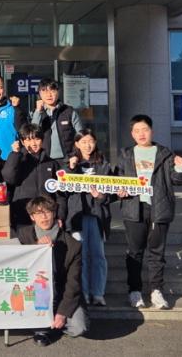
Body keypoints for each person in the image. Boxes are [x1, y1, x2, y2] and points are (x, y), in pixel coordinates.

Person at [116, 114, 182, 310]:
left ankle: (156, 291)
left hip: (159, 208)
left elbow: (177, 180)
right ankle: (134, 291)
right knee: (134, 252)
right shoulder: (126, 154)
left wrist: (181, 168)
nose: (141, 134)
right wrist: (119, 191)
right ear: (132, 134)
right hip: (134, 208)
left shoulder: (164, 154)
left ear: (152, 131)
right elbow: (118, 179)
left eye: (145, 130)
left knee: (157, 253)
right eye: (137, 130)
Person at [17, 196, 87, 347]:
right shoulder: (23, 235)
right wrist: (36, 248)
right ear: (32, 217)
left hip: (61, 293)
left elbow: (73, 283)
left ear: (54, 213)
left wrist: (62, 313)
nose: (44, 217)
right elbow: (17, 266)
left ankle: (54, 326)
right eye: (38, 213)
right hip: (33, 292)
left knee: (79, 327)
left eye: (48, 212)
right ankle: (43, 327)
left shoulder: (73, 245)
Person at [65, 129, 112, 306]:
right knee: (81, 256)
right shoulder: (70, 163)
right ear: (76, 144)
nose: (87, 145)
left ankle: (98, 293)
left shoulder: (103, 164)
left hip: (96, 216)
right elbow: (63, 188)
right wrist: (71, 168)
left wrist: (100, 196)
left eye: (90, 141)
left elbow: (111, 193)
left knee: (98, 256)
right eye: (83, 142)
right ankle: (83, 292)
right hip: (77, 216)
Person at [2, 124, 60, 230]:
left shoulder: (52, 163)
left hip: (46, 217)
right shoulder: (17, 159)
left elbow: (60, 194)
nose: (33, 143)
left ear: (42, 140)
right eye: (28, 140)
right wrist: (15, 154)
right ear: (23, 142)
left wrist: (60, 216)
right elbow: (9, 178)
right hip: (22, 214)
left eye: (37, 139)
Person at [31, 79, 83, 165]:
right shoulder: (37, 112)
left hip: (67, 159)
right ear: (40, 94)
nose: (49, 95)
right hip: (44, 159)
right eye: (44, 91)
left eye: (52, 90)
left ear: (58, 92)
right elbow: (33, 133)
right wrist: (38, 112)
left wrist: (76, 154)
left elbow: (81, 135)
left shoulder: (69, 111)